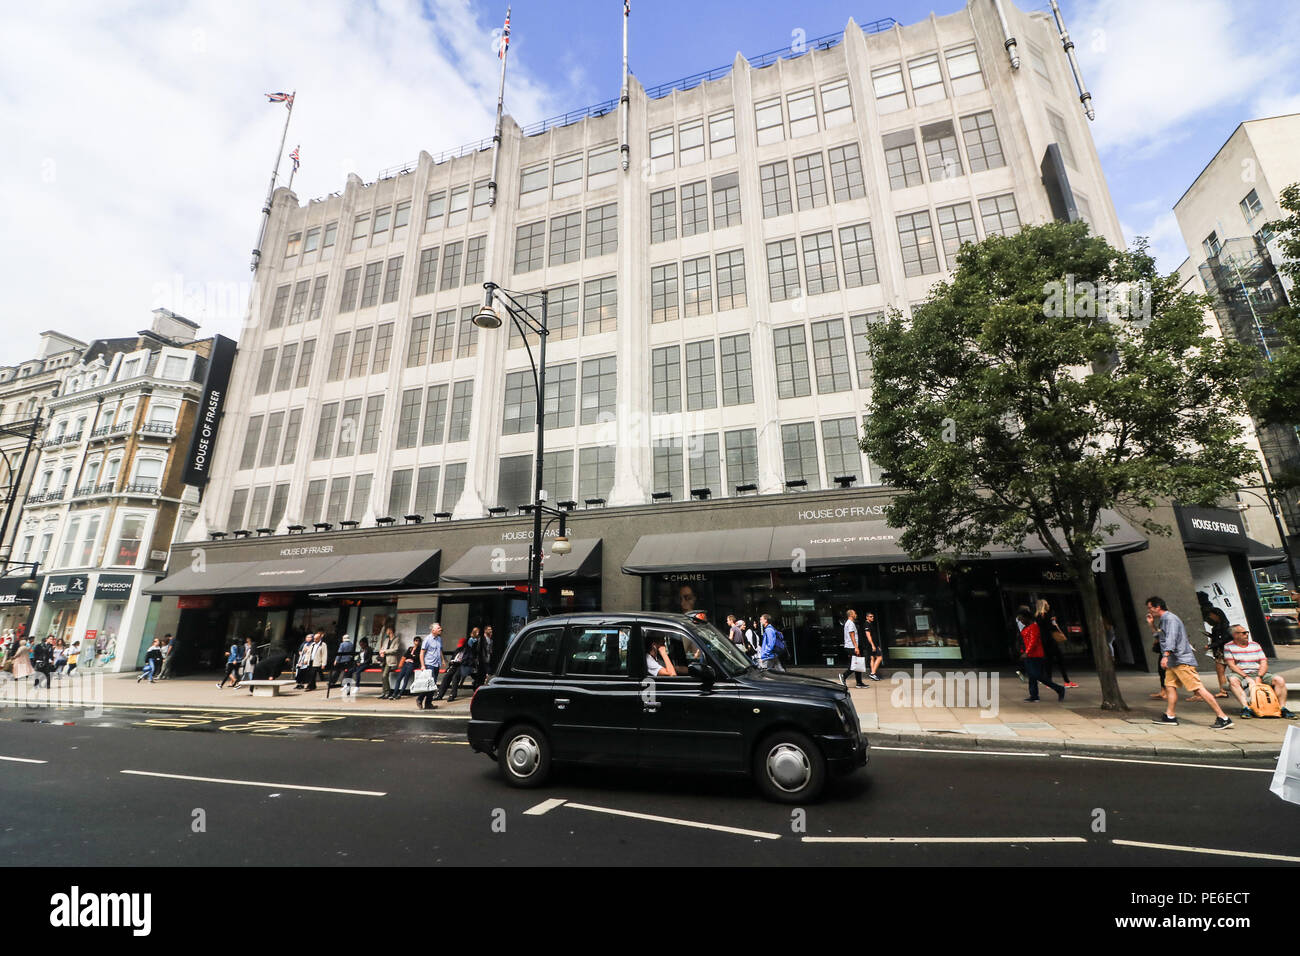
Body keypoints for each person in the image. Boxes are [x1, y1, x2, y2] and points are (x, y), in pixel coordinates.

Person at [1146, 596, 1232, 729]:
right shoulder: (1164, 620)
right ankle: (1170, 715)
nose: (1149, 611)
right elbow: (1160, 637)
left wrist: (1165, 656)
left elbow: (1171, 638)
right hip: (1174, 662)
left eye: (1150, 608)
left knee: (1198, 688)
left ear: (1158, 607)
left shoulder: (1170, 619)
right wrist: (1151, 624)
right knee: (1169, 686)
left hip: (1181, 661)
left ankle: (1223, 717)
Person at [1223, 624, 1295, 719]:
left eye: (1247, 632)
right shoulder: (1228, 646)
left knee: (1279, 680)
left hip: (1258, 672)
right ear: (1235, 635)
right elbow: (1232, 665)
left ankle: (1282, 708)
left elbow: (1263, 662)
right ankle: (1246, 707)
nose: (1247, 634)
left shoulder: (1255, 645)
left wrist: (1259, 676)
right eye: (1243, 633)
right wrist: (1246, 677)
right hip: (1240, 673)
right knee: (1233, 680)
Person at [1017, 610, 1065, 702]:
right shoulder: (1027, 627)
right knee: (1032, 676)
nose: (1021, 621)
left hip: (1035, 655)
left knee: (1037, 676)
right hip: (1029, 655)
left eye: (1022, 619)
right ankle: (1034, 695)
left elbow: (1033, 641)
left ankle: (1059, 688)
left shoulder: (1034, 627)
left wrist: (1026, 652)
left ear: (1027, 618)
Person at [1035, 599, 1077, 688]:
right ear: (1044, 605)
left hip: (1044, 641)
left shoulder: (1037, 617)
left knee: (1048, 661)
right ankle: (1066, 681)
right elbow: (1052, 627)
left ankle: (1049, 681)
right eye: (1047, 604)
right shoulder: (1048, 616)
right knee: (1060, 660)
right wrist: (1055, 624)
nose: (1048, 605)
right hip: (1051, 640)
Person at [433, 632, 473, 702]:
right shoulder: (457, 650)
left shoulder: (469, 651)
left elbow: (469, 661)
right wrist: (452, 662)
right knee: (446, 677)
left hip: (462, 666)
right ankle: (440, 695)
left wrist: (461, 662)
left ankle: (452, 695)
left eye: (461, 645)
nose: (460, 647)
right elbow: (453, 658)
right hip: (454, 665)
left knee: (455, 677)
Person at [416, 623, 443, 710]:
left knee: (432, 684)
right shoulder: (427, 639)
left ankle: (428, 703)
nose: (440, 629)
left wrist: (443, 660)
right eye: (438, 628)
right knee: (431, 683)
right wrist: (423, 665)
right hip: (429, 664)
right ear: (433, 630)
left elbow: (440, 650)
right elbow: (422, 653)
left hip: (436, 664)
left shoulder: (439, 639)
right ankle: (420, 699)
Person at [839, 609, 865, 688]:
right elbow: (852, 635)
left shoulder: (849, 623)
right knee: (854, 665)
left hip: (850, 646)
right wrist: (856, 647)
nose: (856, 614)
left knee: (857, 664)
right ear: (851, 615)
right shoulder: (850, 623)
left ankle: (859, 683)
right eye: (855, 613)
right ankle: (843, 676)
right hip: (852, 647)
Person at [377, 626, 401, 699]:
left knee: (385, 675)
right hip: (384, 660)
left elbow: (395, 649)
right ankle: (383, 692)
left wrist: (385, 651)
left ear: (390, 630)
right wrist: (381, 652)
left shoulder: (396, 639)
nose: (386, 632)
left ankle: (388, 692)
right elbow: (382, 648)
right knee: (383, 677)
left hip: (390, 660)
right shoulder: (386, 639)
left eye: (387, 630)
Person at [862, 612, 883, 681]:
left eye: (873, 616)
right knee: (879, 657)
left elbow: (873, 636)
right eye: (870, 616)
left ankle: (873, 674)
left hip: (873, 644)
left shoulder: (870, 624)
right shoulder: (866, 624)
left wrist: (877, 645)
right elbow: (868, 636)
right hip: (871, 644)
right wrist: (873, 645)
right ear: (867, 617)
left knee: (872, 658)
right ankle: (873, 673)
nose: (872, 617)